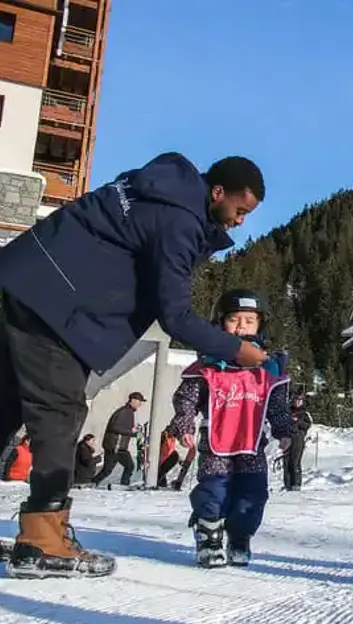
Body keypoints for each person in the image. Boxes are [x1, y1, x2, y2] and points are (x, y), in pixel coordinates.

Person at [0, 152, 270, 579]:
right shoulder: (180, 220)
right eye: (239, 210)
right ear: (217, 192)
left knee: (8, 402)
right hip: (53, 307)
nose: (239, 221)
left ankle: (42, 533)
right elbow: (175, 314)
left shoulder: (157, 188)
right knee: (60, 413)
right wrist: (238, 351)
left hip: (21, 280)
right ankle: (42, 537)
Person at [165, 289, 294, 568]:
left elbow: (277, 406)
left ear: (260, 326)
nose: (241, 327)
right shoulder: (207, 367)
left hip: (252, 444)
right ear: (220, 324)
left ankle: (239, 537)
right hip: (215, 445)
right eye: (234, 320)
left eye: (249, 321)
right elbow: (186, 398)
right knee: (214, 491)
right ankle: (209, 537)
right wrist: (184, 423)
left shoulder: (267, 369)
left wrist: (284, 431)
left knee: (253, 494)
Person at [91, 392, 145, 487]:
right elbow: (114, 427)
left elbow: (123, 428)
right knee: (129, 466)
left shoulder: (128, 412)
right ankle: (124, 485)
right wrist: (132, 433)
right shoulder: (125, 412)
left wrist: (134, 432)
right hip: (116, 447)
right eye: (139, 401)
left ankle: (92, 483)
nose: (140, 404)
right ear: (132, 400)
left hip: (115, 446)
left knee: (107, 470)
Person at [283, 395, 313, 491]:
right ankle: (287, 484)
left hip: (298, 439)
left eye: (299, 400)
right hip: (287, 438)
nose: (297, 402)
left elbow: (307, 426)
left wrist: (298, 421)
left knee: (295, 461)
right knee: (286, 461)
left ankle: (296, 484)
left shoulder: (305, 413)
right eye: (296, 400)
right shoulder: (288, 411)